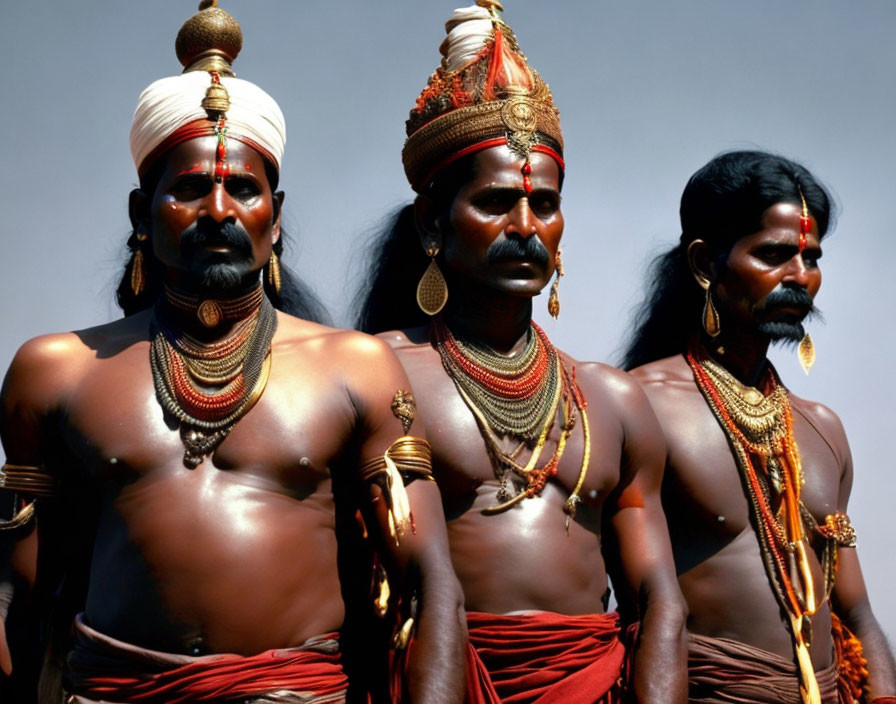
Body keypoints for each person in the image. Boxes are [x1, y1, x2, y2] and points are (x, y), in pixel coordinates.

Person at [0, 3, 465, 703]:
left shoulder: (354, 368)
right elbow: (15, 598)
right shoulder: (55, 372)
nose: (219, 210)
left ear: (274, 218)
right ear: (141, 213)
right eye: (190, 187)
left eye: (242, 189)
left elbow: (430, 590)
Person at [356, 3, 687, 702]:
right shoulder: (376, 374)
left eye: (545, 203)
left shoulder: (614, 401)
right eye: (498, 201)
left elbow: (658, 600)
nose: (526, 227)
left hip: (591, 685)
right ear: (431, 223)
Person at [623, 150, 896, 704]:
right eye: (774, 255)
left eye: (810, 258)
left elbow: (858, 613)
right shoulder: (639, 403)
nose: (799, 277)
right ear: (705, 264)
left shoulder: (822, 430)